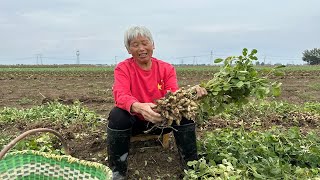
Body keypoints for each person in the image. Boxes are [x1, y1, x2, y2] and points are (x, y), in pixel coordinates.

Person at [106, 25, 207, 179]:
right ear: (128, 49)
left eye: (145, 43)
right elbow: (121, 95)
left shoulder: (166, 68)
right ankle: (117, 172)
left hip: (163, 122)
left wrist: (191, 94)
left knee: (185, 114)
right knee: (117, 115)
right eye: (135, 45)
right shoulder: (123, 68)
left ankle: (191, 167)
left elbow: (174, 95)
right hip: (135, 123)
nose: (141, 48)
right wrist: (139, 107)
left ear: (153, 45)